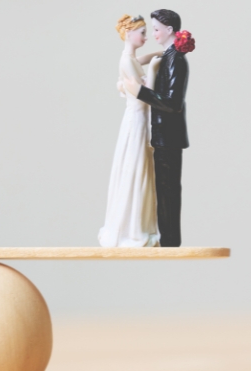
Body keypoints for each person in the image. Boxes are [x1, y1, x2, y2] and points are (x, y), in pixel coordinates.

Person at [123, 9, 195, 247]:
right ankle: (167, 240)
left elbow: (173, 103)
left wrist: (140, 92)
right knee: (164, 191)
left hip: (169, 138)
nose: (153, 34)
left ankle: (171, 242)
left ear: (169, 30)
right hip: (163, 137)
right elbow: (159, 59)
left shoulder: (177, 60)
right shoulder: (169, 55)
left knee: (168, 192)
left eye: (155, 29)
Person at [99, 14, 162, 247]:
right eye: (143, 33)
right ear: (129, 34)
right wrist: (155, 69)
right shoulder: (126, 61)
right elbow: (143, 91)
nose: (146, 37)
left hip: (139, 116)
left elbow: (138, 61)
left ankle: (137, 223)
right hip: (137, 117)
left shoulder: (130, 58)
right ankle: (133, 228)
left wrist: (154, 55)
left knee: (140, 164)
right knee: (136, 164)